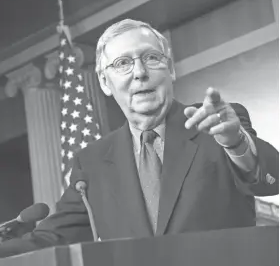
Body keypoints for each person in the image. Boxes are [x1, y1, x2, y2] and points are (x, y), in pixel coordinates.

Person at [0, 19, 278, 258]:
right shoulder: (91, 163)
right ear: (104, 82)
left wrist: (237, 143)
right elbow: (51, 239)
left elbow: (271, 177)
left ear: (170, 69)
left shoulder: (215, 125)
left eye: (151, 58)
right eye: (122, 63)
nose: (140, 73)